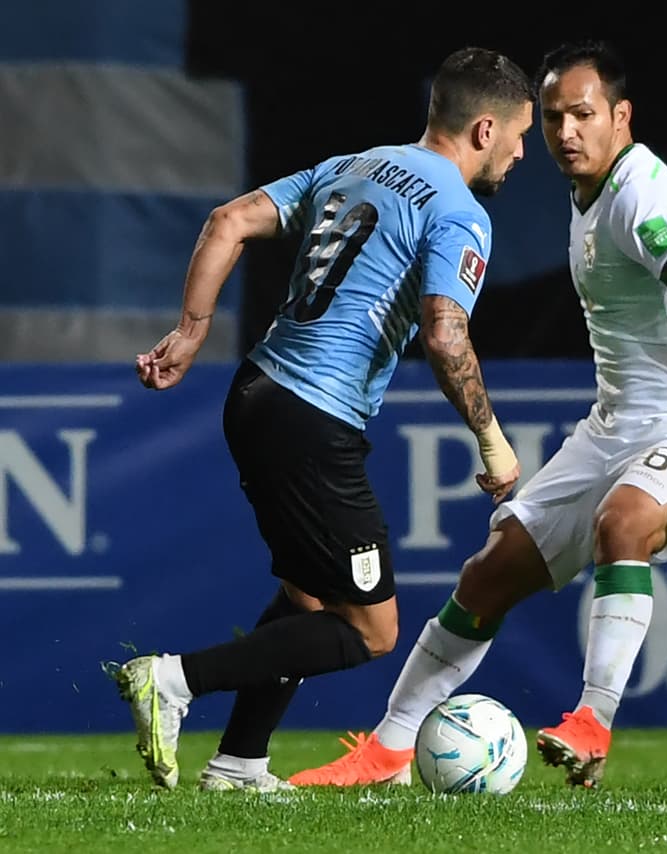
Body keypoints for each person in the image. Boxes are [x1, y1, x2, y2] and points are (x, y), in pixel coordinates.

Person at [290, 40, 667, 790]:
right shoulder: (592, 194)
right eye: (556, 118)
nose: (566, 133)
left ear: (620, 116)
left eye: (584, 115)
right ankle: (389, 750)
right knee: (488, 576)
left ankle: (593, 720)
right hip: (616, 424)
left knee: (622, 524)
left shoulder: (642, 197)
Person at [111, 47, 534, 791]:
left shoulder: (355, 163)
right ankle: (173, 680)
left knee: (309, 596)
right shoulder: (458, 212)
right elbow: (445, 334)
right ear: (484, 129)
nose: (522, 152)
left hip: (256, 393)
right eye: (519, 135)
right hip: (313, 416)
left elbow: (229, 219)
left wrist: (191, 330)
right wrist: (493, 441)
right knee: (373, 629)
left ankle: (240, 762)